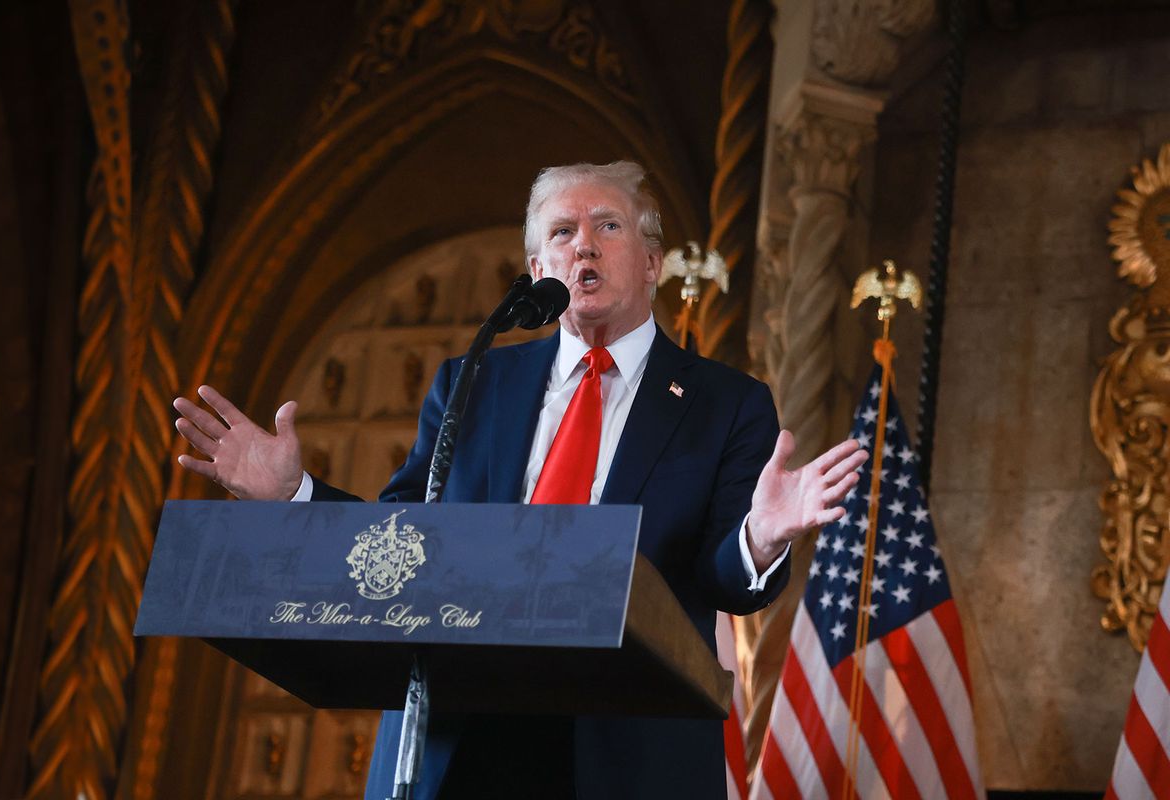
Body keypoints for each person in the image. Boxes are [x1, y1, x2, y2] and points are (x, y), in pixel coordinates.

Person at [173, 161, 867, 799]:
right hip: (461, 734)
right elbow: (399, 543)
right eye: (563, 232)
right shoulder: (472, 381)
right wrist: (296, 497)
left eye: (608, 226)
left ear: (652, 261)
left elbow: (722, 580)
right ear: (539, 268)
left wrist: (762, 535)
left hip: (624, 748)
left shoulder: (726, 403)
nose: (583, 247)